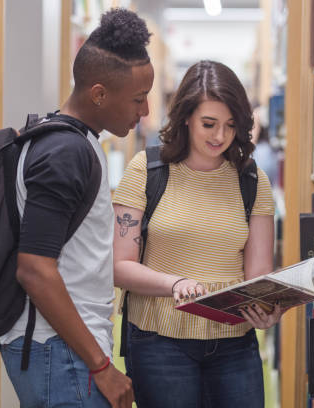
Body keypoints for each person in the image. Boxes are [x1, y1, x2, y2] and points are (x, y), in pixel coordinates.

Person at [0, 8, 154, 408]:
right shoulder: (65, 153)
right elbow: (34, 269)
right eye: (138, 99)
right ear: (99, 93)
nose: (146, 111)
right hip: (61, 351)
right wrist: (101, 366)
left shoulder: (71, 140)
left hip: (64, 348)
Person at [112, 60, 280, 408]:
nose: (220, 136)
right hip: (159, 344)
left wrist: (268, 308)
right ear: (186, 117)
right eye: (209, 124)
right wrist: (174, 284)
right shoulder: (147, 170)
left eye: (231, 125)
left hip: (235, 345)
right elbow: (119, 266)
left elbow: (258, 276)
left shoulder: (252, 180)